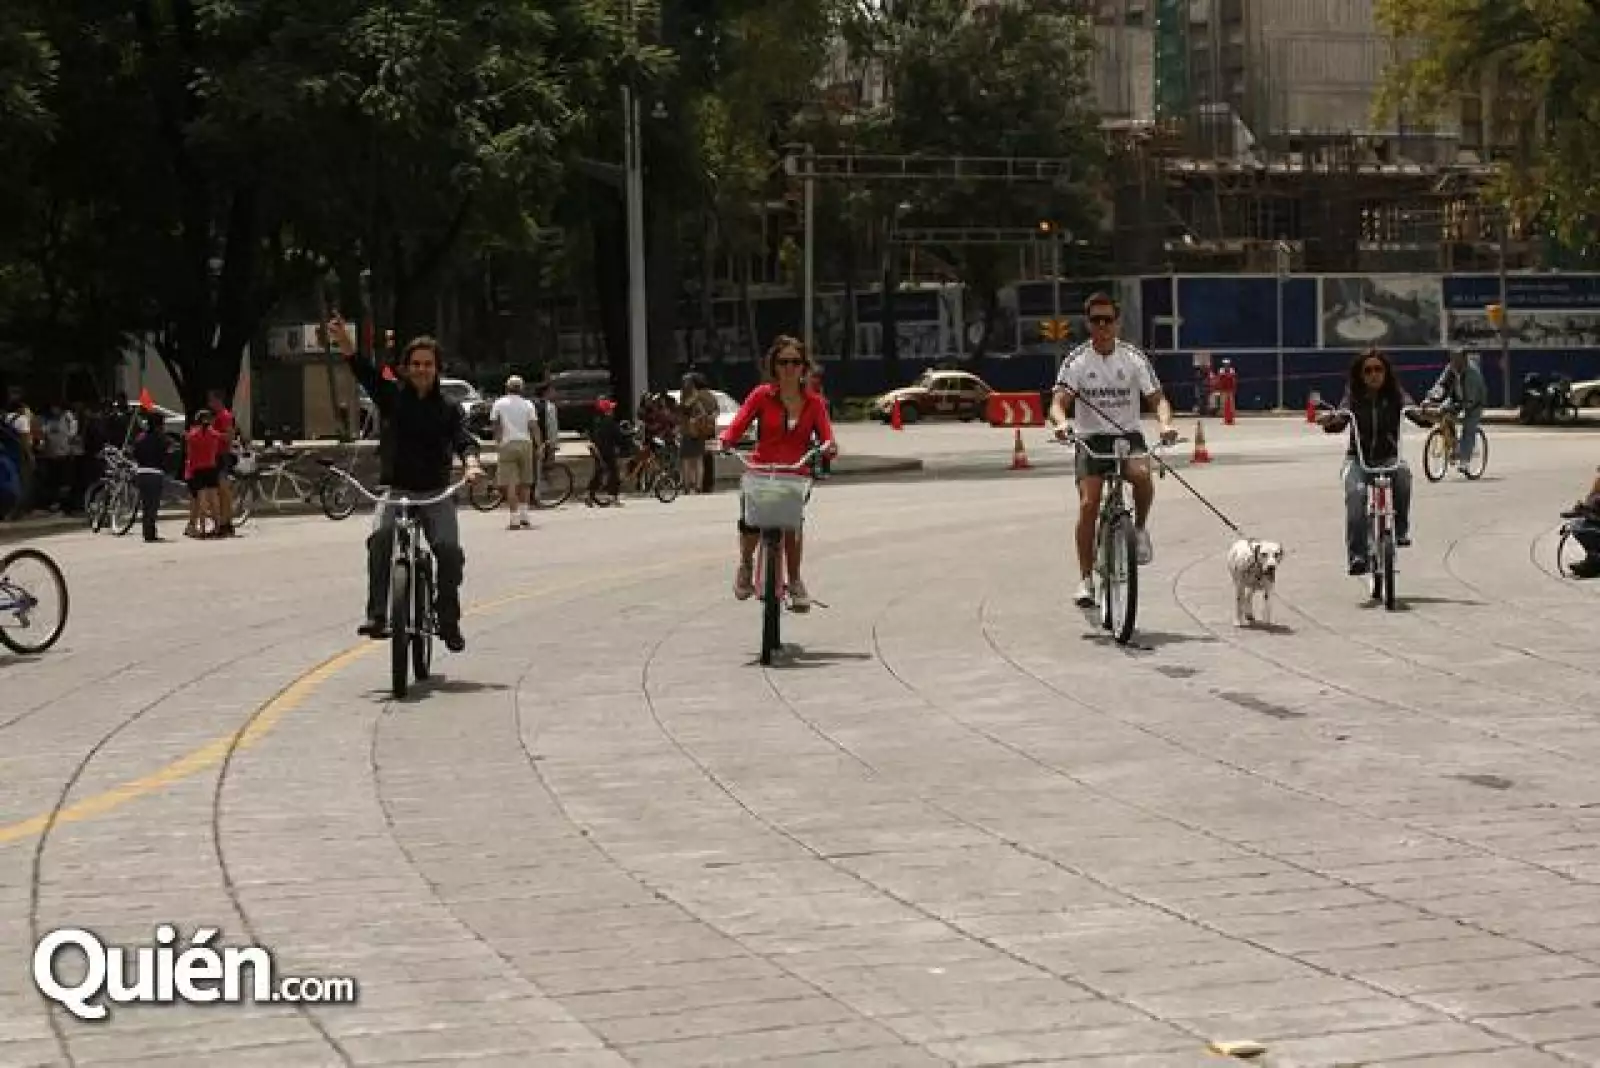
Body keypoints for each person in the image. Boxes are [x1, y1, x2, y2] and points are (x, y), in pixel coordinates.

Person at [327, 315, 483, 651]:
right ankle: (377, 615)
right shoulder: (392, 397)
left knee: (450, 552)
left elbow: (463, 440)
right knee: (380, 537)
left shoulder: (449, 408)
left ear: (437, 368)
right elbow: (362, 370)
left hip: (435, 492)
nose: (422, 369)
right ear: (406, 368)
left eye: (428, 364)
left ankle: (448, 617)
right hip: (396, 490)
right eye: (416, 363)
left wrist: (471, 464)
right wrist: (343, 340)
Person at [1048, 291, 1178, 607]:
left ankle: (1141, 529)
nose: (1103, 326)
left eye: (1109, 320)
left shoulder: (1133, 358)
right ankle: (1085, 579)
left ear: (1117, 323)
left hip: (1127, 435)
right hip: (1092, 438)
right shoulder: (1077, 361)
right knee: (1088, 504)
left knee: (1142, 476)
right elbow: (1058, 403)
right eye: (1096, 320)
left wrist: (1165, 424)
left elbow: (1158, 399)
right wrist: (1062, 423)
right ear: (1088, 324)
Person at [715, 335, 837, 611]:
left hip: (795, 472)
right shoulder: (761, 396)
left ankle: (794, 580)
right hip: (761, 469)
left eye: (796, 362)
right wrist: (726, 440)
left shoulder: (814, 403)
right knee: (751, 521)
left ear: (805, 367)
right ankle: (746, 564)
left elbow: (827, 436)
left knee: (793, 524)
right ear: (774, 366)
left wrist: (829, 447)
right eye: (783, 362)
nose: (790, 368)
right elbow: (738, 423)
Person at [1318, 348, 1425, 575]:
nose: (1374, 375)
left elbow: (1413, 410)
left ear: (1386, 372)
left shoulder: (1396, 394)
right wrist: (1330, 421)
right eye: (1367, 371)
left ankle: (1401, 528)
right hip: (1358, 461)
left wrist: (1426, 415)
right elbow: (1340, 418)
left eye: (1378, 369)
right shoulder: (1353, 396)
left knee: (1404, 474)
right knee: (1356, 497)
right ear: (1360, 375)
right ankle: (1358, 556)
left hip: (1389, 458)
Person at [1424, 347, 1488, 475]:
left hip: (1474, 403)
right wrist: (1430, 398)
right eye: (1452, 358)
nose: (1453, 362)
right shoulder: (1451, 368)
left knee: (1469, 428)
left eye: (1456, 359)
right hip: (1456, 398)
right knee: (1443, 411)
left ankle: (1464, 461)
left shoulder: (1472, 374)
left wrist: (1463, 409)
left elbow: (1471, 398)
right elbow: (1441, 385)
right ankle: (1453, 444)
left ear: (1464, 359)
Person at [490, 375, 540, 529]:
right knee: (525, 481)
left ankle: (514, 518)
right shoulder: (528, 404)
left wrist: (498, 441)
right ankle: (525, 515)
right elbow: (533, 426)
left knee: (510, 483)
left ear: (506, 387)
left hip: (507, 443)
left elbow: (495, 424)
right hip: (525, 443)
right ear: (522, 389)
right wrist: (539, 444)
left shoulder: (499, 403)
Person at [183, 410, 224, 538]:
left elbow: (189, 453)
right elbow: (218, 446)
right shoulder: (214, 434)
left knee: (201, 500)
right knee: (214, 499)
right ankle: (217, 527)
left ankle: (202, 528)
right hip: (211, 468)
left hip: (197, 469)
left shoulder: (192, 435)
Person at [131, 411, 170, 542]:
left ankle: (147, 531)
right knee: (153, 505)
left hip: (141, 472)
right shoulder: (161, 438)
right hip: (155, 473)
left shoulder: (140, 437)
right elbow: (165, 456)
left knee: (146, 504)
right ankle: (150, 533)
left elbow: (135, 453)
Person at [207, 389, 240, 536]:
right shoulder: (217, 417)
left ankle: (226, 522)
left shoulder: (225, 416)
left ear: (218, 401)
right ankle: (223, 521)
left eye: (211, 400)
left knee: (223, 490)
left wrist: (213, 434)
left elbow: (229, 436)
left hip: (222, 456)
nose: (209, 403)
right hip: (215, 456)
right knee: (219, 491)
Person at [678, 374, 716, 494]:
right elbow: (709, 413)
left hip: (687, 431)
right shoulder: (701, 396)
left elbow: (683, 411)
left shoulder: (686, 398)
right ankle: (698, 486)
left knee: (686, 460)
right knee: (698, 459)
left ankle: (687, 486)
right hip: (699, 432)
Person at [1561, 469, 1600, 579]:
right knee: (1577, 526)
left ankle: (1596, 562)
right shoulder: (1598, 483)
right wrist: (1583, 509)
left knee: (1586, 529)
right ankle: (1594, 559)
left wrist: (1590, 510)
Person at [586, 397, 624, 506]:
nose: (612, 411)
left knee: (599, 473)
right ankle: (614, 497)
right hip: (607, 452)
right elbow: (618, 437)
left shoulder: (596, 422)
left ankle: (590, 495)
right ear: (606, 411)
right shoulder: (610, 422)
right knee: (614, 473)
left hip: (597, 451)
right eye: (610, 409)